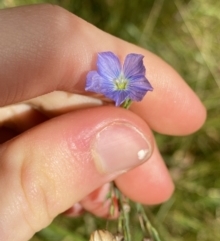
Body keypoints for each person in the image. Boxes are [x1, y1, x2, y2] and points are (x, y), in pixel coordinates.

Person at [0, 4, 206, 241]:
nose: (120, 84)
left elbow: (133, 86)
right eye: (119, 83)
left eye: (123, 83)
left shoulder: (129, 86)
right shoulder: (115, 86)